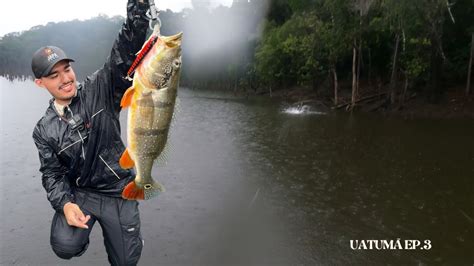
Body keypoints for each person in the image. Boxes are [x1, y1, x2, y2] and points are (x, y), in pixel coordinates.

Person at [31, 1, 150, 265]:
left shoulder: (99, 89)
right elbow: (52, 174)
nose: (65, 79)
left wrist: (139, 11)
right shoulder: (43, 130)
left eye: (67, 69)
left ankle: (128, 239)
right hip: (82, 193)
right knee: (64, 244)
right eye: (54, 75)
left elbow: (124, 54)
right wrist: (65, 204)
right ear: (40, 83)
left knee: (125, 262)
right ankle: (87, 238)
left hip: (119, 190)